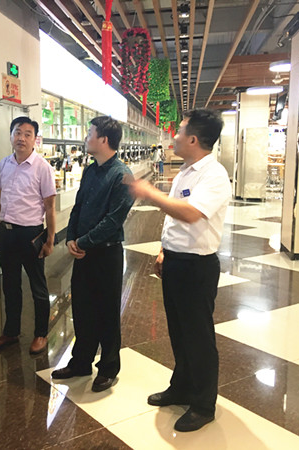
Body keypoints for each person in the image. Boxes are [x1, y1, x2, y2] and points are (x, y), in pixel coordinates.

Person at [129, 109, 231, 432]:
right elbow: (173, 220)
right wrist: (163, 250)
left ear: (193, 139)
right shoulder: (185, 172)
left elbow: (189, 213)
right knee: (179, 331)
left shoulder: (213, 175)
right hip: (175, 262)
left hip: (197, 267)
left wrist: (150, 194)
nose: (174, 136)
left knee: (198, 336)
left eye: (180, 130)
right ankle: (182, 386)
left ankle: (203, 404)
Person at [51, 116, 134, 392]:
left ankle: (109, 367)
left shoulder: (121, 175)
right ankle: (81, 362)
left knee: (107, 311)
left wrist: (83, 242)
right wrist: (71, 238)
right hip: (83, 253)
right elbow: (78, 207)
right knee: (82, 309)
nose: (86, 138)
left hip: (106, 255)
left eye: (90, 133)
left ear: (104, 140)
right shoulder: (90, 171)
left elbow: (113, 220)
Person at [0, 116, 56, 355]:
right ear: (11, 136)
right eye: (18, 132)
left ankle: (41, 334)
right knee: (10, 285)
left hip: (30, 235)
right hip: (6, 233)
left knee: (38, 287)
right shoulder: (4, 164)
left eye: (28, 134)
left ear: (35, 139)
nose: (22, 138)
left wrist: (50, 240)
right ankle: (11, 332)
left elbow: (50, 207)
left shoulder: (42, 167)